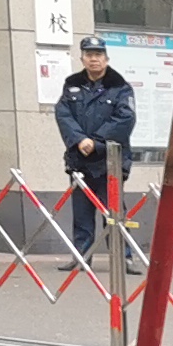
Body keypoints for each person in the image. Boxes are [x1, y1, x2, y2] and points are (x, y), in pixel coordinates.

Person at [54, 37, 134, 254]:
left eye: (98, 55)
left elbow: (125, 119)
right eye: (89, 55)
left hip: (110, 161)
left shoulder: (120, 87)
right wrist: (80, 139)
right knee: (81, 215)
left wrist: (96, 142)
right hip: (80, 160)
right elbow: (63, 115)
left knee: (114, 213)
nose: (94, 59)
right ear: (82, 59)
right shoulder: (72, 85)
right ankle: (82, 257)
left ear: (106, 59)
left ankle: (123, 257)